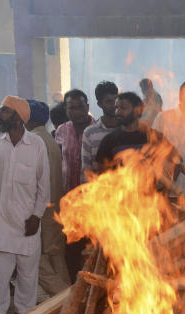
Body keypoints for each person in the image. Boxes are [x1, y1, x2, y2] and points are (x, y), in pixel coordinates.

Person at [0, 96, 49, 314]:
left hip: (27, 220)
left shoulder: (37, 144)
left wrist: (37, 216)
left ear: (18, 117)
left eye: (5, 112)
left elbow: (43, 184)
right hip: (0, 218)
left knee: (28, 273)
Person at [26, 99, 68, 294]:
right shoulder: (49, 139)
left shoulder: (33, 141)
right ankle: (72, 298)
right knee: (56, 257)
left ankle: (63, 297)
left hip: (40, 210)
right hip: (55, 208)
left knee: (36, 260)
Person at [54, 88, 94, 281]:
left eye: (81, 107)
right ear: (66, 109)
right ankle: (74, 288)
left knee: (93, 248)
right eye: (72, 107)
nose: (77, 111)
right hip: (69, 201)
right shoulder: (61, 131)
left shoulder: (97, 129)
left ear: (88, 107)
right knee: (71, 248)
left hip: (94, 202)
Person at [80, 81, 119, 181]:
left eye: (116, 100)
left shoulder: (126, 129)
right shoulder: (90, 133)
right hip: (100, 191)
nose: (114, 105)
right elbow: (86, 170)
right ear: (99, 104)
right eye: (109, 102)